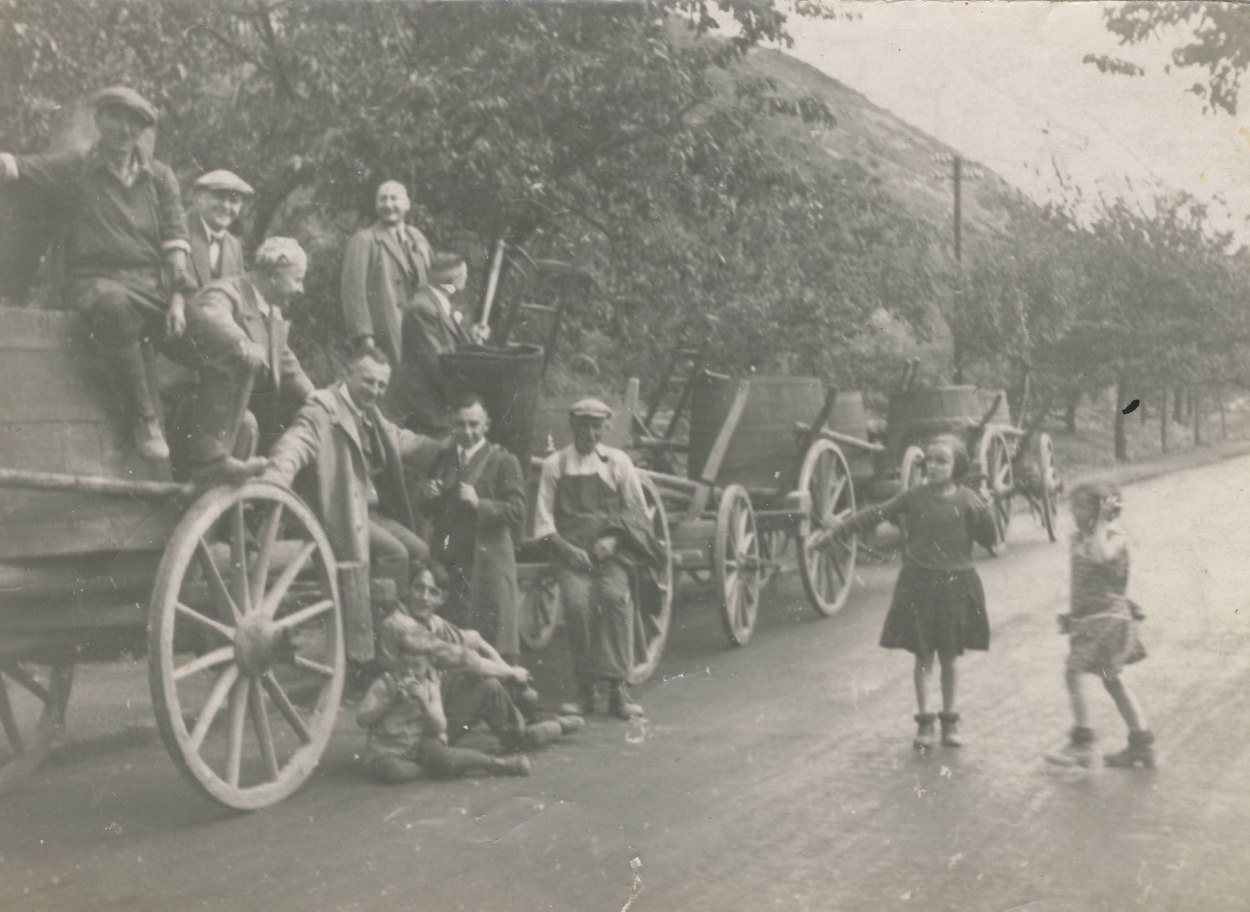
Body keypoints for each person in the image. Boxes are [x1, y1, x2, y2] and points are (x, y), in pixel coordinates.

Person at [0, 86, 194, 461]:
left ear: (143, 131)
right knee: (115, 307)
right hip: (96, 287)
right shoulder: (77, 166)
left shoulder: (159, 177)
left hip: (153, 291)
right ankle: (145, 421)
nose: (125, 130)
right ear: (100, 120)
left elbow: (177, 242)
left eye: (135, 124)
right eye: (116, 119)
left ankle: (209, 458)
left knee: (226, 348)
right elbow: (18, 167)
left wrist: (180, 299)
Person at [810, 434, 997, 750]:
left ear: (957, 465)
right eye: (930, 461)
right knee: (923, 656)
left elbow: (988, 538)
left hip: (955, 586)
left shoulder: (968, 500)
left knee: (950, 658)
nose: (934, 467)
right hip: (919, 586)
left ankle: (950, 721)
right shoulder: (913, 497)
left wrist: (987, 510)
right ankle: (924, 723)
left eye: (942, 461)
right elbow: (875, 514)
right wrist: (836, 531)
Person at [261, 346, 436, 663]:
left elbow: (402, 439)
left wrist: (448, 449)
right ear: (347, 373)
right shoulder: (322, 410)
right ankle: (376, 646)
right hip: (339, 515)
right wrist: (276, 476)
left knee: (420, 551)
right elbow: (296, 443)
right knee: (396, 554)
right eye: (368, 382)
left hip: (370, 514)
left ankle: (394, 632)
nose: (375, 391)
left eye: (382, 385)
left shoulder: (370, 414)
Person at [533, 398, 661, 719]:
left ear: (605, 428)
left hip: (611, 556)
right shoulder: (556, 465)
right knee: (577, 606)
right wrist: (566, 549)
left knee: (613, 599)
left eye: (595, 426)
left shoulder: (618, 463)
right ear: (572, 426)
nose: (589, 432)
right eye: (582, 425)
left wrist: (614, 539)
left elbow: (638, 512)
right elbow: (544, 520)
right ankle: (586, 690)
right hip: (571, 555)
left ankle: (617, 690)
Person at [377, 560, 582, 755]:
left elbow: (474, 639)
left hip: (431, 704)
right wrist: (510, 672)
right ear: (407, 589)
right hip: (408, 725)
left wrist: (506, 669)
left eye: (432, 592)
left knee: (499, 679)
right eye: (418, 588)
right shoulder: (400, 626)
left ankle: (535, 717)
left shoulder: (432, 621)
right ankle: (547, 728)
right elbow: (461, 658)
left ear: (442, 599)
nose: (424, 597)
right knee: (490, 687)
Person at [166, 236, 314, 483]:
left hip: (234, 409)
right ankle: (214, 499)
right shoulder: (225, 292)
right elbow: (213, 319)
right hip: (197, 408)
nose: (301, 289)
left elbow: (284, 358)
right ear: (275, 274)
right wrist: (242, 342)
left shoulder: (271, 310)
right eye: (297, 280)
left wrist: (311, 394)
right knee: (247, 423)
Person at [1047, 481, 1153, 769]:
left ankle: (1082, 741)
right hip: (1091, 618)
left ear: (1103, 508)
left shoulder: (1114, 536)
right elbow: (1082, 581)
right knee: (1112, 680)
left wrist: (1103, 523)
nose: (1074, 511)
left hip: (1108, 620)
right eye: (1073, 505)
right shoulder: (1079, 536)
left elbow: (1100, 556)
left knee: (1073, 672)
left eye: (1082, 506)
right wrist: (1074, 614)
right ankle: (1141, 742)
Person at [418, 394, 526, 659]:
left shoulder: (503, 461)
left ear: (486, 425)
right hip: (450, 561)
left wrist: (481, 504)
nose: (467, 431)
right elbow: (430, 511)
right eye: (461, 424)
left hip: (487, 564)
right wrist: (428, 495)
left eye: (474, 424)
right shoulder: (444, 458)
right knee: (452, 637)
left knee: (492, 639)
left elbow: (518, 510)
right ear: (453, 425)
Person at [357, 620, 531, 784]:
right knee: (391, 771)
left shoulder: (430, 688)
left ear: (429, 666)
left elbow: (440, 726)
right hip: (387, 752)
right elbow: (362, 719)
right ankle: (427, 771)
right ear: (397, 661)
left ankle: (498, 764)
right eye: (405, 665)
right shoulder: (385, 683)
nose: (409, 672)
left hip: (417, 745)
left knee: (447, 759)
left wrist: (424, 703)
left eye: (417, 667)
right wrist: (388, 701)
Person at [385, 251, 486, 435]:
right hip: (428, 411)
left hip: (439, 405)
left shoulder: (439, 302)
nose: (466, 280)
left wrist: (472, 337)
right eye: (464, 275)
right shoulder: (423, 309)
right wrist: (476, 387)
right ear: (454, 280)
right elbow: (436, 364)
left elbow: (449, 341)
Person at [340, 180, 432, 376]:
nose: (388, 205)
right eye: (382, 199)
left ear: (407, 204)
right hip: (386, 334)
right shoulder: (364, 240)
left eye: (394, 198)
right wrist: (365, 339)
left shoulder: (418, 238)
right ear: (376, 205)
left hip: (421, 332)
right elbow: (353, 294)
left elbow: (435, 284)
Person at [187, 170, 252, 288]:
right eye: (219, 197)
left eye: (234, 201)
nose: (226, 206)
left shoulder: (234, 246)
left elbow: (238, 291)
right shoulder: (179, 231)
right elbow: (178, 270)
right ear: (198, 198)